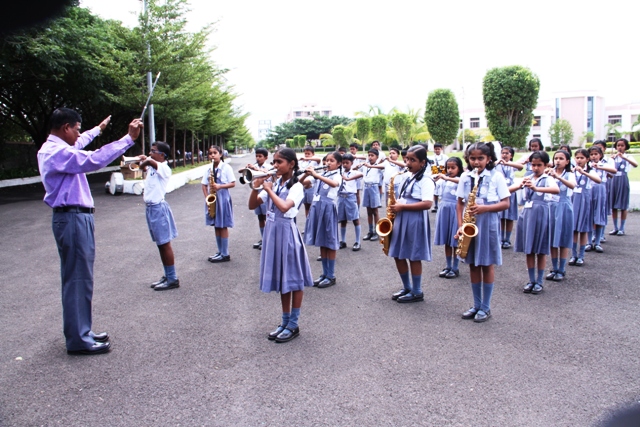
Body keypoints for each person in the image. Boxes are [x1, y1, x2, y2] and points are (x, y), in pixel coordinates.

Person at [37, 108, 142, 355]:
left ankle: (81, 330)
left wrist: (99, 128)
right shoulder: (58, 152)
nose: (79, 133)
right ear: (65, 128)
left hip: (75, 217)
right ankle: (78, 339)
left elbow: (82, 141)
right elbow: (92, 159)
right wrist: (128, 140)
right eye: (76, 128)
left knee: (80, 277)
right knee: (77, 279)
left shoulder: (57, 147)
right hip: (72, 218)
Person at [248, 148, 313, 343]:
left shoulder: (297, 186)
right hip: (272, 233)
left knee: (293, 279)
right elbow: (252, 205)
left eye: (279, 162)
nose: (275, 166)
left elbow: (285, 207)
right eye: (274, 162)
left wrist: (267, 189)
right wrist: (256, 187)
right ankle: (285, 321)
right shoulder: (275, 184)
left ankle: (293, 323)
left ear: (291, 164)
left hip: (287, 233)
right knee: (283, 279)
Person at [456, 142, 510, 322]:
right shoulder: (465, 176)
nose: (476, 162)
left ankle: (486, 307)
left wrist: (485, 208)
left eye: (481, 158)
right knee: (472, 264)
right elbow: (460, 203)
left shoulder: (497, 176)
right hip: (469, 224)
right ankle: (476, 304)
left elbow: (505, 203)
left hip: (488, 223)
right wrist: (460, 226)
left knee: (486, 264)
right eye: (473, 158)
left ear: (489, 159)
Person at [388, 145, 434, 302]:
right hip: (401, 217)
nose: (408, 163)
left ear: (422, 162)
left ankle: (417, 291)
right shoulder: (406, 176)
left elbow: (428, 204)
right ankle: (406, 286)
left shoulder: (426, 179)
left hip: (415, 219)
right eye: (407, 159)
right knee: (397, 254)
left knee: (414, 256)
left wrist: (403, 207)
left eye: (412, 160)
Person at [512, 151, 559, 294]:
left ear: (545, 165)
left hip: (541, 213)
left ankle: (539, 281)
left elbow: (556, 190)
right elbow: (509, 190)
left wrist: (536, 188)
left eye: (539, 165)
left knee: (540, 250)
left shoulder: (547, 178)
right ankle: (531, 279)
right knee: (529, 249)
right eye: (533, 165)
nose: (536, 168)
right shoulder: (528, 177)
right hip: (527, 214)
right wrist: (520, 186)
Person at [139, 141, 180, 291]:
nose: (150, 153)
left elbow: (148, 162)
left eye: (153, 151)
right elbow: (146, 165)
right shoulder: (152, 166)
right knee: (160, 244)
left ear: (162, 155)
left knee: (164, 243)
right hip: (151, 208)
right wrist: (146, 160)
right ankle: (168, 275)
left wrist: (146, 160)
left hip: (158, 208)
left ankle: (172, 278)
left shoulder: (164, 168)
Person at [300, 151, 343, 288]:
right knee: (322, 242)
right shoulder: (322, 174)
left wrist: (316, 175)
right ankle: (324, 274)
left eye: (331, 161)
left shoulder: (337, 175)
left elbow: (334, 184)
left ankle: (331, 275)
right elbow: (303, 183)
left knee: (329, 242)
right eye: (327, 161)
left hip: (328, 209)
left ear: (339, 164)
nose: (328, 163)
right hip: (317, 208)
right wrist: (305, 174)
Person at [202, 145, 236, 262]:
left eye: (215, 153)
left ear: (220, 154)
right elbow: (203, 184)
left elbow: (232, 183)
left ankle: (225, 253)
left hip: (223, 197)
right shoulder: (209, 169)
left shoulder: (226, 168)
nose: (212, 155)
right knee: (216, 225)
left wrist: (220, 186)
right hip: (213, 198)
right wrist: (207, 198)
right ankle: (220, 251)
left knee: (223, 225)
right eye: (210, 153)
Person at [546, 150, 576, 282]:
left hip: (564, 207)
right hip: (551, 207)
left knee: (563, 239)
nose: (558, 161)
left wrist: (558, 177)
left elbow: (572, 185)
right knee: (552, 239)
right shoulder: (548, 173)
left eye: (561, 158)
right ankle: (554, 267)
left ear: (567, 161)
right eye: (556, 158)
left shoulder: (569, 174)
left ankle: (562, 269)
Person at [570, 149, 602, 266]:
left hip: (584, 201)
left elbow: (598, 180)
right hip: (574, 201)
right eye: (577, 158)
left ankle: (581, 256)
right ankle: (573, 255)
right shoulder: (572, 172)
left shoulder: (590, 171)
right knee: (573, 230)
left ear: (587, 159)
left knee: (583, 230)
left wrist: (584, 173)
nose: (579, 160)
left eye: (582, 158)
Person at [434, 157, 463, 279]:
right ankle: (448, 265)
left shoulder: (461, 179)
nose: (450, 170)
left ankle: (455, 267)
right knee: (447, 240)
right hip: (444, 209)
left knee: (455, 240)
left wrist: (446, 177)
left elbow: (462, 182)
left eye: (453, 168)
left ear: (459, 168)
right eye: (448, 168)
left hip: (455, 210)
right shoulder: (444, 180)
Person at [586, 145, 617, 252]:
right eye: (591, 154)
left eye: (596, 154)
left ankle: (598, 242)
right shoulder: (587, 165)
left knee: (599, 215)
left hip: (600, 190)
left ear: (600, 155)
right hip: (589, 190)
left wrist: (600, 167)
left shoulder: (604, 164)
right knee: (589, 216)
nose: (594, 156)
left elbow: (613, 171)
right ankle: (589, 242)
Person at [609, 138, 637, 235]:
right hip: (614, 180)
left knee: (623, 205)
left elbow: (635, 165)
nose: (620, 147)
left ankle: (622, 228)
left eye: (622, 145)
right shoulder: (613, 158)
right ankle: (615, 227)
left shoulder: (628, 156)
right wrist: (612, 159)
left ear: (626, 147)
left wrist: (624, 158)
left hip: (623, 180)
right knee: (613, 205)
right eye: (618, 145)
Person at [496, 146, 523, 249]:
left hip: (511, 193)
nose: (504, 155)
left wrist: (507, 163)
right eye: (503, 153)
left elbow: (521, 167)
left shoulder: (512, 165)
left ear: (511, 155)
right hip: (501, 193)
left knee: (510, 217)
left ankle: (507, 239)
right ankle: (501, 238)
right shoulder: (497, 165)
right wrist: (499, 162)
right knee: (501, 217)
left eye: (507, 153)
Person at [245, 147, 270, 250]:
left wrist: (255, 169)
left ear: (266, 157)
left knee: (266, 217)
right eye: (256, 156)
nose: (258, 158)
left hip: (264, 194)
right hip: (256, 194)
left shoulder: (268, 166)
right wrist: (247, 169)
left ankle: (267, 239)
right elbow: (241, 172)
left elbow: (267, 174)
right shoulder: (254, 166)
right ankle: (263, 237)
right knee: (260, 217)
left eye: (260, 156)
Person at [338, 153, 363, 251]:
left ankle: (357, 242)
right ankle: (343, 241)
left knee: (355, 219)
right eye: (343, 163)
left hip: (350, 197)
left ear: (352, 163)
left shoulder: (354, 173)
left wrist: (348, 179)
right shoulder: (339, 173)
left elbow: (361, 175)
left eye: (347, 163)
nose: (344, 165)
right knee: (342, 220)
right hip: (341, 197)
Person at [361, 148, 383, 241]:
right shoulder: (365, 165)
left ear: (377, 157)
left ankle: (377, 232)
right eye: (369, 155)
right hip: (366, 187)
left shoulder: (378, 166)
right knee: (368, 211)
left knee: (375, 211)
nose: (370, 157)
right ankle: (370, 231)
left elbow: (383, 167)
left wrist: (371, 166)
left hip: (374, 188)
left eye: (372, 155)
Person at [298, 146, 322, 218]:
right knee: (306, 206)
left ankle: (313, 224)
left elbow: (319, 159)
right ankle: (308, 224)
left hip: (311, 184)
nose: (306, 155)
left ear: (313, 154)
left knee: (313, 206)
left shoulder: (315, 161)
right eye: (305, 153)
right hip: (303, 186)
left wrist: (307, 158)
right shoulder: (302, 162)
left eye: (309, 154)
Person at [431, 143, 449, 212]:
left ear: (441, 149)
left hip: (443, 175)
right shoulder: (432, 158)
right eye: (436, 149)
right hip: (435, 175)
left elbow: (446, 167)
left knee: (442, 190)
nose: (437, 150)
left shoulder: (445, 157)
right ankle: (435, 205)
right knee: (435, 191)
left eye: (438, 149)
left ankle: (442, 204)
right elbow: (432, 167)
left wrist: (443, 175)